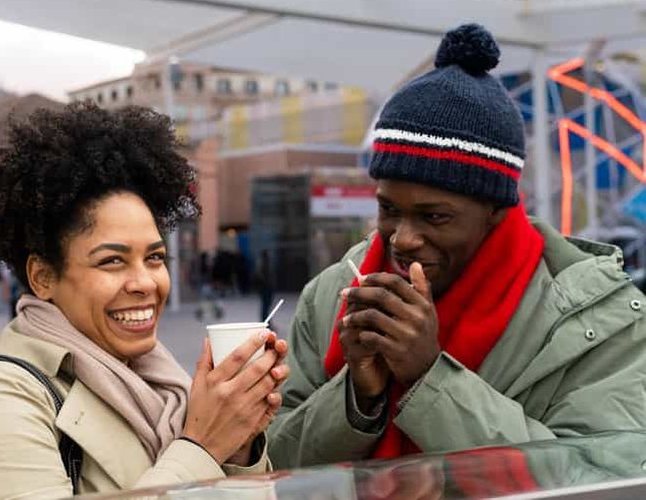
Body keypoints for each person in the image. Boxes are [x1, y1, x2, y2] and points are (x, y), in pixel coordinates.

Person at [267, 24, 646, 469]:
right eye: (388, 209)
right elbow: (275, 468)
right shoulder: (332, 296)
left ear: (497, 212)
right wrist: (358, 395)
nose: (402, 239)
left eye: (435, 217)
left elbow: (601, 478)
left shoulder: (600, 321)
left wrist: (429, 377)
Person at [0, 102, 289, 498]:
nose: (144, 282)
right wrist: (202, 446)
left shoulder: (164, 384)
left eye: (155, 257)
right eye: (112, 261)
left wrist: (239, 444)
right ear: (43, 276)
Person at [253, 250, 275, 327]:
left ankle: (266, 321)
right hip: (265, 288)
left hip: (266, 288)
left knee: (266, 306)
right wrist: (267, 284)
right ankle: (265, 322)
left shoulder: (262, 263)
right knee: (266, 306)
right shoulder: (263, 264)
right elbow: (261, 277)